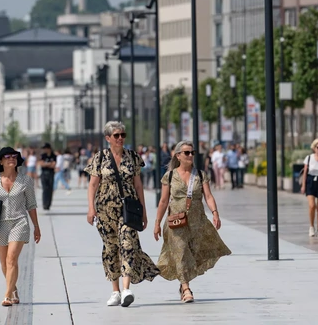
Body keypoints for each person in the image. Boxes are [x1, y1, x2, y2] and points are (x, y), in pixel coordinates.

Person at [85, 121, 158, 308]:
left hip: (128, 209)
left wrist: (144, 211)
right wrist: (91, 208)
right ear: (108, 138)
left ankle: (126, 289)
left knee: (127, 244)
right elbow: (93, 185)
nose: (120, 139)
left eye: (123, 135)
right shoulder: (100, 157)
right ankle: (115, 291)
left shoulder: (133, 157)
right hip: (104, 210)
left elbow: (138, 185)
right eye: (116, 135)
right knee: (111, 248)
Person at [154, 140, 231, 303]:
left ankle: (183, 285)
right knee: (180, 252)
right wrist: (157, 223)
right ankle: (186, 288)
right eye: (187, 153)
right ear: (178, 156)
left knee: (193, 253)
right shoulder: (169, 176)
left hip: (197, 221)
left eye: (192, 153)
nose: (190, 155)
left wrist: (215, 213)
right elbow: (163, 201)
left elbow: (208, 196)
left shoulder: (201, 174)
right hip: (176, 222)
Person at [0, 146, 40, 306]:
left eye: (14, 156)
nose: (12, 158)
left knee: (12, 259)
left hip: (19, 222)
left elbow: (31, 205)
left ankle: (7, 295)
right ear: (1, 161)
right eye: (8, 156)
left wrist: (36, 227)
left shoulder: (26, 180)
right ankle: (14, 289)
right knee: (4, 263)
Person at [39, 144, 57, 210]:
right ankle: (44, 204)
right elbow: (41, 164)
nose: (44, 150)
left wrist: (46, 164)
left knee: (50, 189)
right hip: (44, 173)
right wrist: (49, 164)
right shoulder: (43, 156)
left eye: (45, 148)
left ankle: (48, 204)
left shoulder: (54, 156)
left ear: (49, 148)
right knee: (45, 189)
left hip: (51, 174)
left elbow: (54, 165)